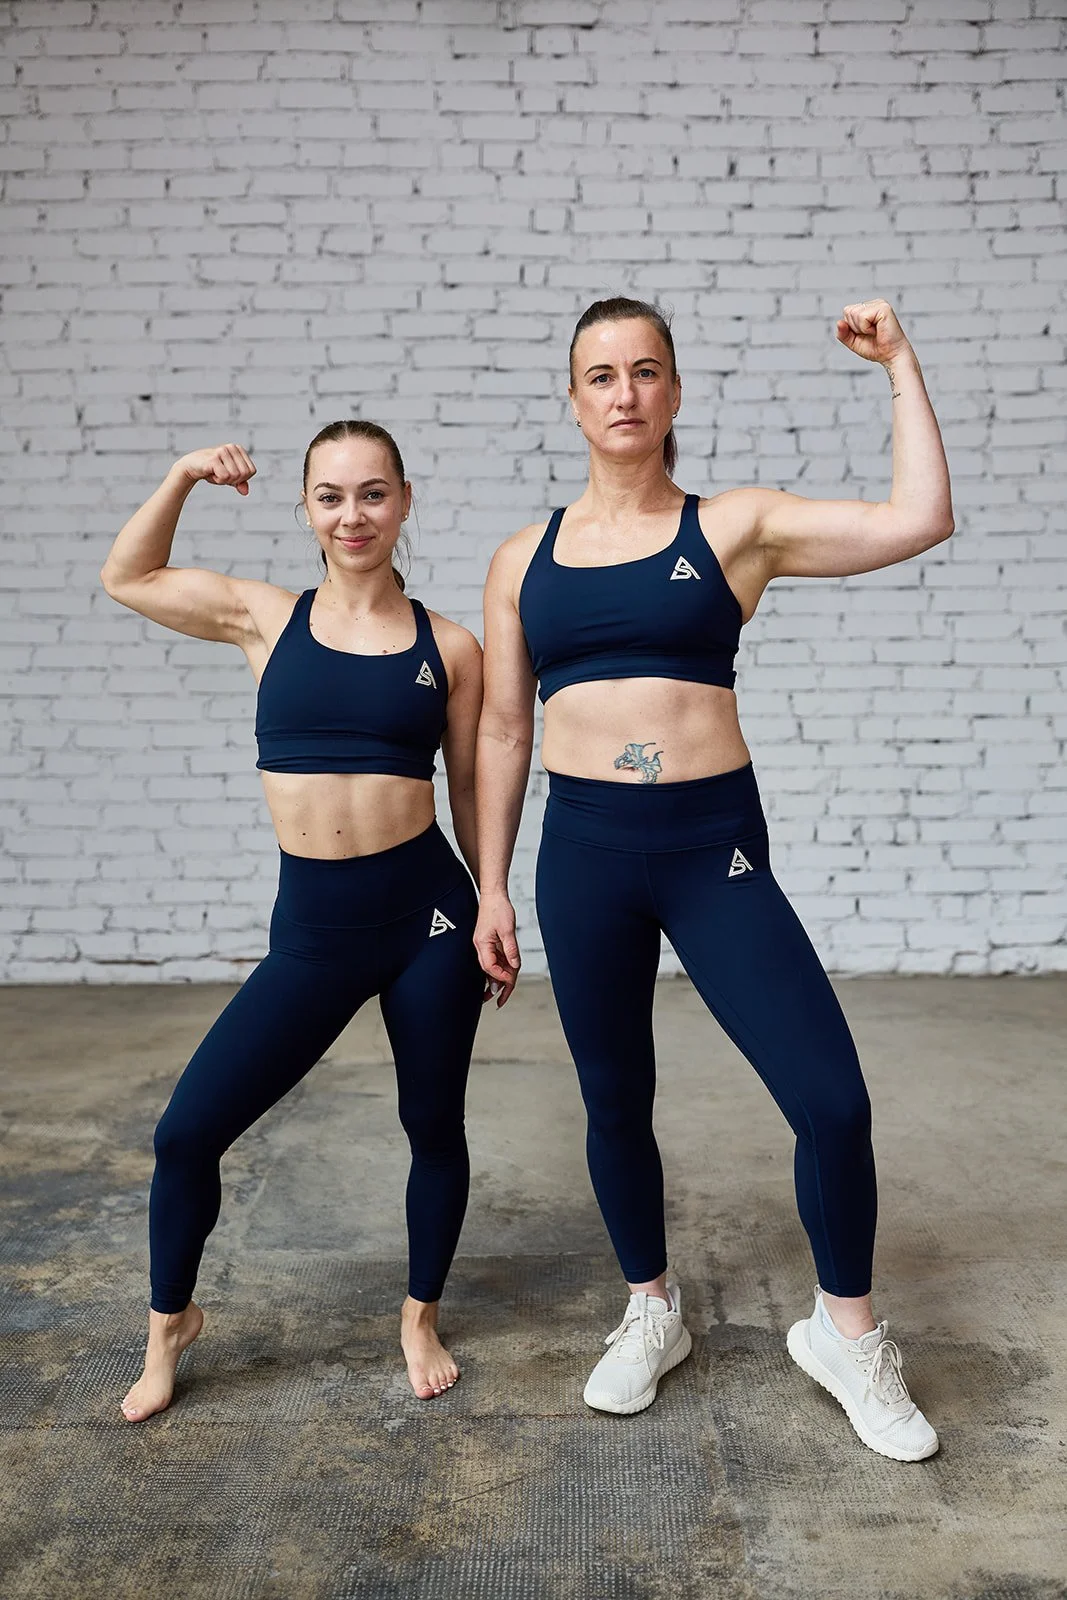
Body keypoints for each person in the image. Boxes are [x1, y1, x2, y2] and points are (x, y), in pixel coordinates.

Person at [474, 297, 952, 1462]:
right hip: (581, 856)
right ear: (573, 399)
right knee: (612, 1097)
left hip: (709, 848)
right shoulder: (522, 557)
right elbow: (497, 731)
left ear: (673, 392)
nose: (623, 392)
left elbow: (918, 517)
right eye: (600, 374)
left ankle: (844, 1334)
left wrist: (897, 363)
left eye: (645, 371)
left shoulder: (732, 526)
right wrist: (486, 883)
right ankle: (650, 1308)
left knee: (829, 1099)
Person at [101, 421, 487, 1420]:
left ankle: (418, 1316)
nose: (351, 515)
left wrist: (491, 897)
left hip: (426, 918)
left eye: (371, 494)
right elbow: (128, 575)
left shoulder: (448, 646)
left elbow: (472, 785)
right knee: (187, 1132)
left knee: (431, 1125)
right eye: (330, 495)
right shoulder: (266, 619)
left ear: (402, 501)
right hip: (315, 932)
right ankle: (168, 1326)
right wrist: (182, 471)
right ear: (306, 507)